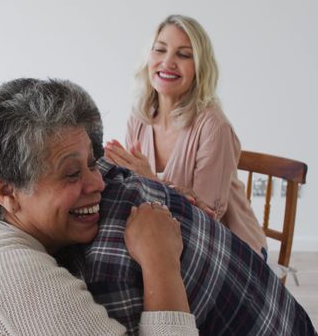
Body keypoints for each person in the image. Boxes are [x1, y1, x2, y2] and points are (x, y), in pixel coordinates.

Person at [0, 79, 317, 335]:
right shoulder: (20, 279)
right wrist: (160, 262)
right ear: (7, 192)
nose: (98, 182)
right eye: (71, 174)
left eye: (94, 163)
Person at [104, 15, 267, 258]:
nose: (167, 62)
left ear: (199, 68)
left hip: (229, 247)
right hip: (169, 239)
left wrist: (149, 180)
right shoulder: (139, 119)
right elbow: (137, 195)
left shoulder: (214, 126)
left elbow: (205, 220)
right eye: (160, 50)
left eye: (183, 54)